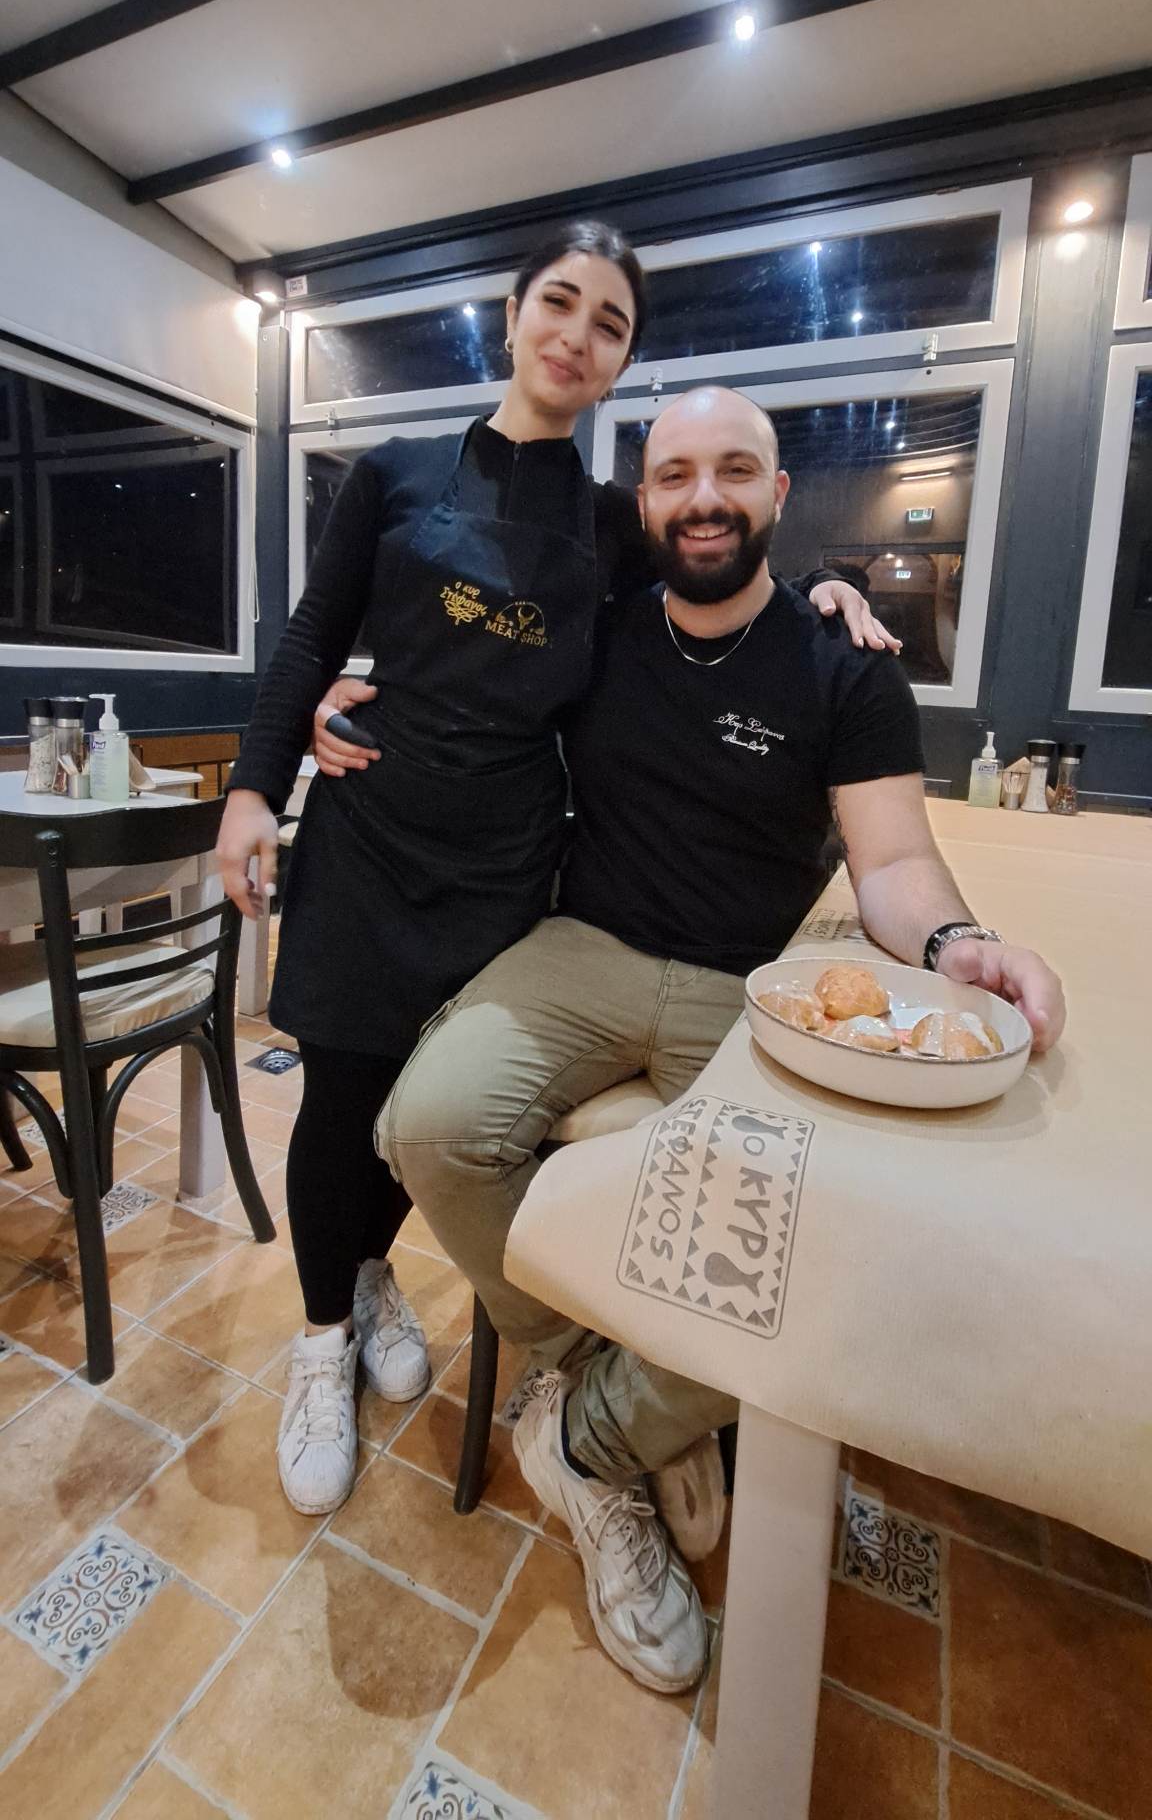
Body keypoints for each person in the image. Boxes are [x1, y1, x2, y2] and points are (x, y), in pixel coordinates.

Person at [331, 385, 1066, 1695]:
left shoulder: (844, 665)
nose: (704, 497)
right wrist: (354, 688)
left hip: (752, 984)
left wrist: (960, 944)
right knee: (427, 1124)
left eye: (735, 471)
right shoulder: (602, 626)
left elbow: (894, 862)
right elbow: (464, 666)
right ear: (644, 502)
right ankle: (582, 1377)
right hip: (585, 947)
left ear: (779, 495)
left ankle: (594, 1447)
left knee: (806, 1245)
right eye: (674, 475)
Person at [217, 230, 888, 1518]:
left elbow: (719, 559)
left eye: (610, 324)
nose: (578, 336)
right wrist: (257, 782)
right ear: (512, 315)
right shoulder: (395, 474)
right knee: (341, 1090)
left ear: (623, 361)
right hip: (373, 834)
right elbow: (312, 634)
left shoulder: (608, 523)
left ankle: (373, 1271)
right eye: (560, 305)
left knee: (418, 1107)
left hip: (509, 864)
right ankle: (321, 1336)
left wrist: (829, 588)